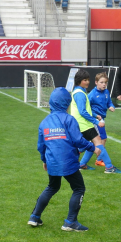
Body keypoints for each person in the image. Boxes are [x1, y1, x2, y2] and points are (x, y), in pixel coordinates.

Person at [27, 87, 101, 231]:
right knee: (79, 188)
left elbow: (41, 146)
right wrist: (94, 148)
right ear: (66, 103)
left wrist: (44, 160)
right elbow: (78, 140)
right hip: (68, 161)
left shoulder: (44, 122)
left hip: (52, 161)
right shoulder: (69, 119)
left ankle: (34, 217)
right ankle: (70, 222)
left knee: (52, 187)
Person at [71, 69, 121, 174]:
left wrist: (95, 115)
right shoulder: (80, 94)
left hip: (82, 124)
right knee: (98, 142)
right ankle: (109, 167)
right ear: (79, 81)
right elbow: (82, 112)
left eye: (88, 80)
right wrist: (95, 121)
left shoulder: (79, 91)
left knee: (91, 144)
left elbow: (86, 110)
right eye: (85, 80)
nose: (87, 82)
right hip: (84, 124)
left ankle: (82, 164)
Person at [79, 72, 115, 167]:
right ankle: (99, 160)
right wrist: (96, 115)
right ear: (96, 82)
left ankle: (81, 160)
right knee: (102, 139)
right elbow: (87, 108)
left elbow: (109, 102)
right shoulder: (92, 94)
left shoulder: (106, 92)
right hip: (95, 120)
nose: (104, 84)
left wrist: (111, 106)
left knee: (94, 141)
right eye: (102, 82)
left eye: (105, 83)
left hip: (101, 119)